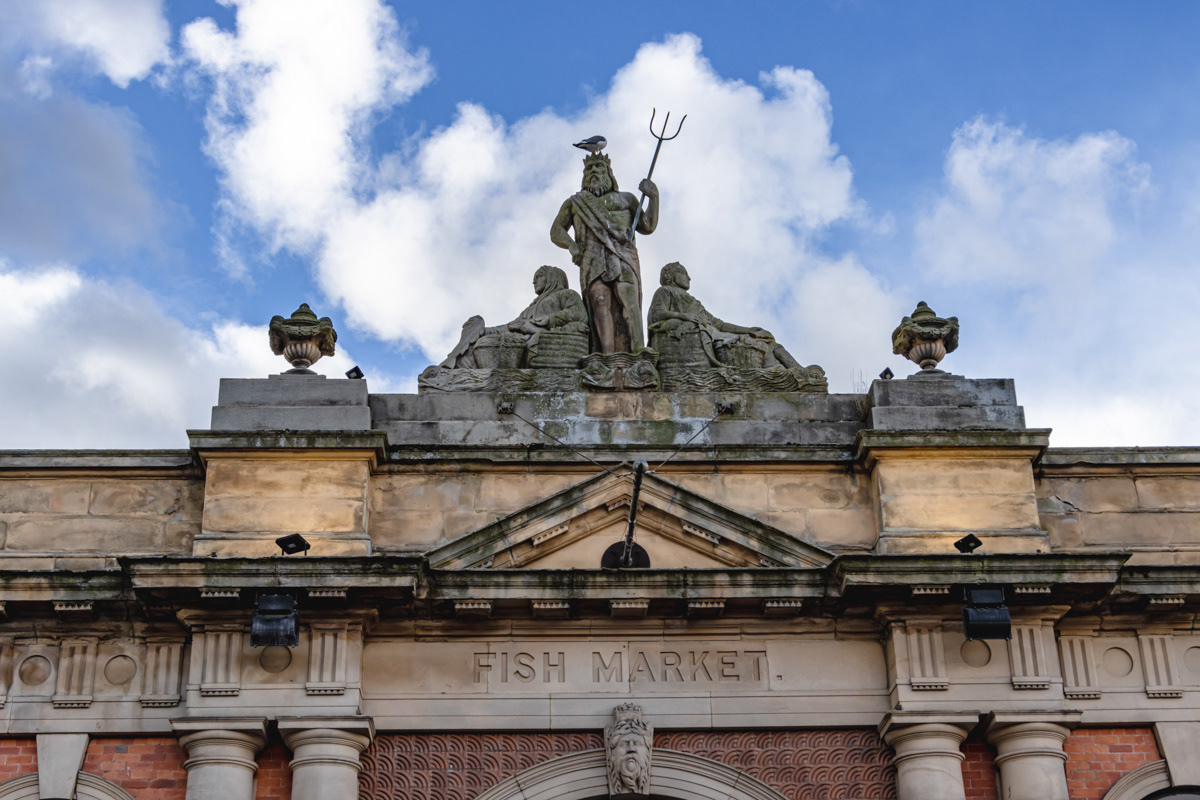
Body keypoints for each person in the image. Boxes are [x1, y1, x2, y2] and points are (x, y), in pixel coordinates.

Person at [550, 152, 659, 354]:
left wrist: (653, 197)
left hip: (623, 255)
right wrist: (572, 246)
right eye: (589, 169)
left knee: (628, 298)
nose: (594, 172)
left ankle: (639, 352)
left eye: (599, 168)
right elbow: (556, 230)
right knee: (600, 301)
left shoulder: (627, 199)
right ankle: (606, 357)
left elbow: (647, 225)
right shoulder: (576, 202)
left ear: (609, 173)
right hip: (593, 258)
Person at [647, 262, 802, 369]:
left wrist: (748, 330)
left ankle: (795, 371)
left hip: (714, 332)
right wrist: (684, 316)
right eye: (684, 273)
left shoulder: (694, 302)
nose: (689, 278)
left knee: (764, 338)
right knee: (753, 344)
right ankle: (783, 372)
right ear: (671, 276)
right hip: (705, 335)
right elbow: (656, 315)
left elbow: (719, 324)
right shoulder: (665, 291)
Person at [441, 266, 587, 369]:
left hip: (537, 340)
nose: (534, 281)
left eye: (539, 276)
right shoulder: (529, 308)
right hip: (517, 339)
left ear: (552, 277)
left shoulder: (565, 294)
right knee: (477, 326)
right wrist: (483, 329)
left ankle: (453, 361)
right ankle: (456, 362)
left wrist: (550, 320)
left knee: (488, 344)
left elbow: (579, 313)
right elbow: (511, 327)